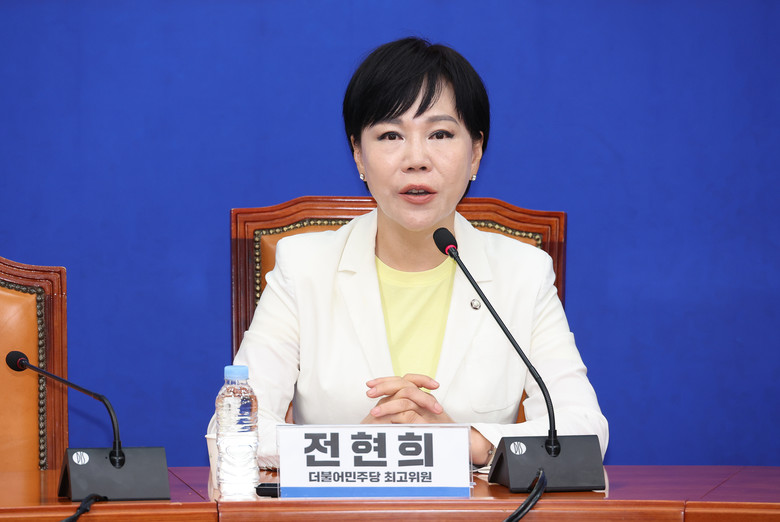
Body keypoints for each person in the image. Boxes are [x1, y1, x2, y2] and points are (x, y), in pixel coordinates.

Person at [210, 36, 608, 470]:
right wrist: (362, 447)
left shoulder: (523, 273)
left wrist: (465, 443)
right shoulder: (303, 267)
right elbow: (232, 431)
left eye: (440, 134)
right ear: (358, 155)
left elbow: (584, 431)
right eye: (390, 135)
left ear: (476, 154)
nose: (416, 159)